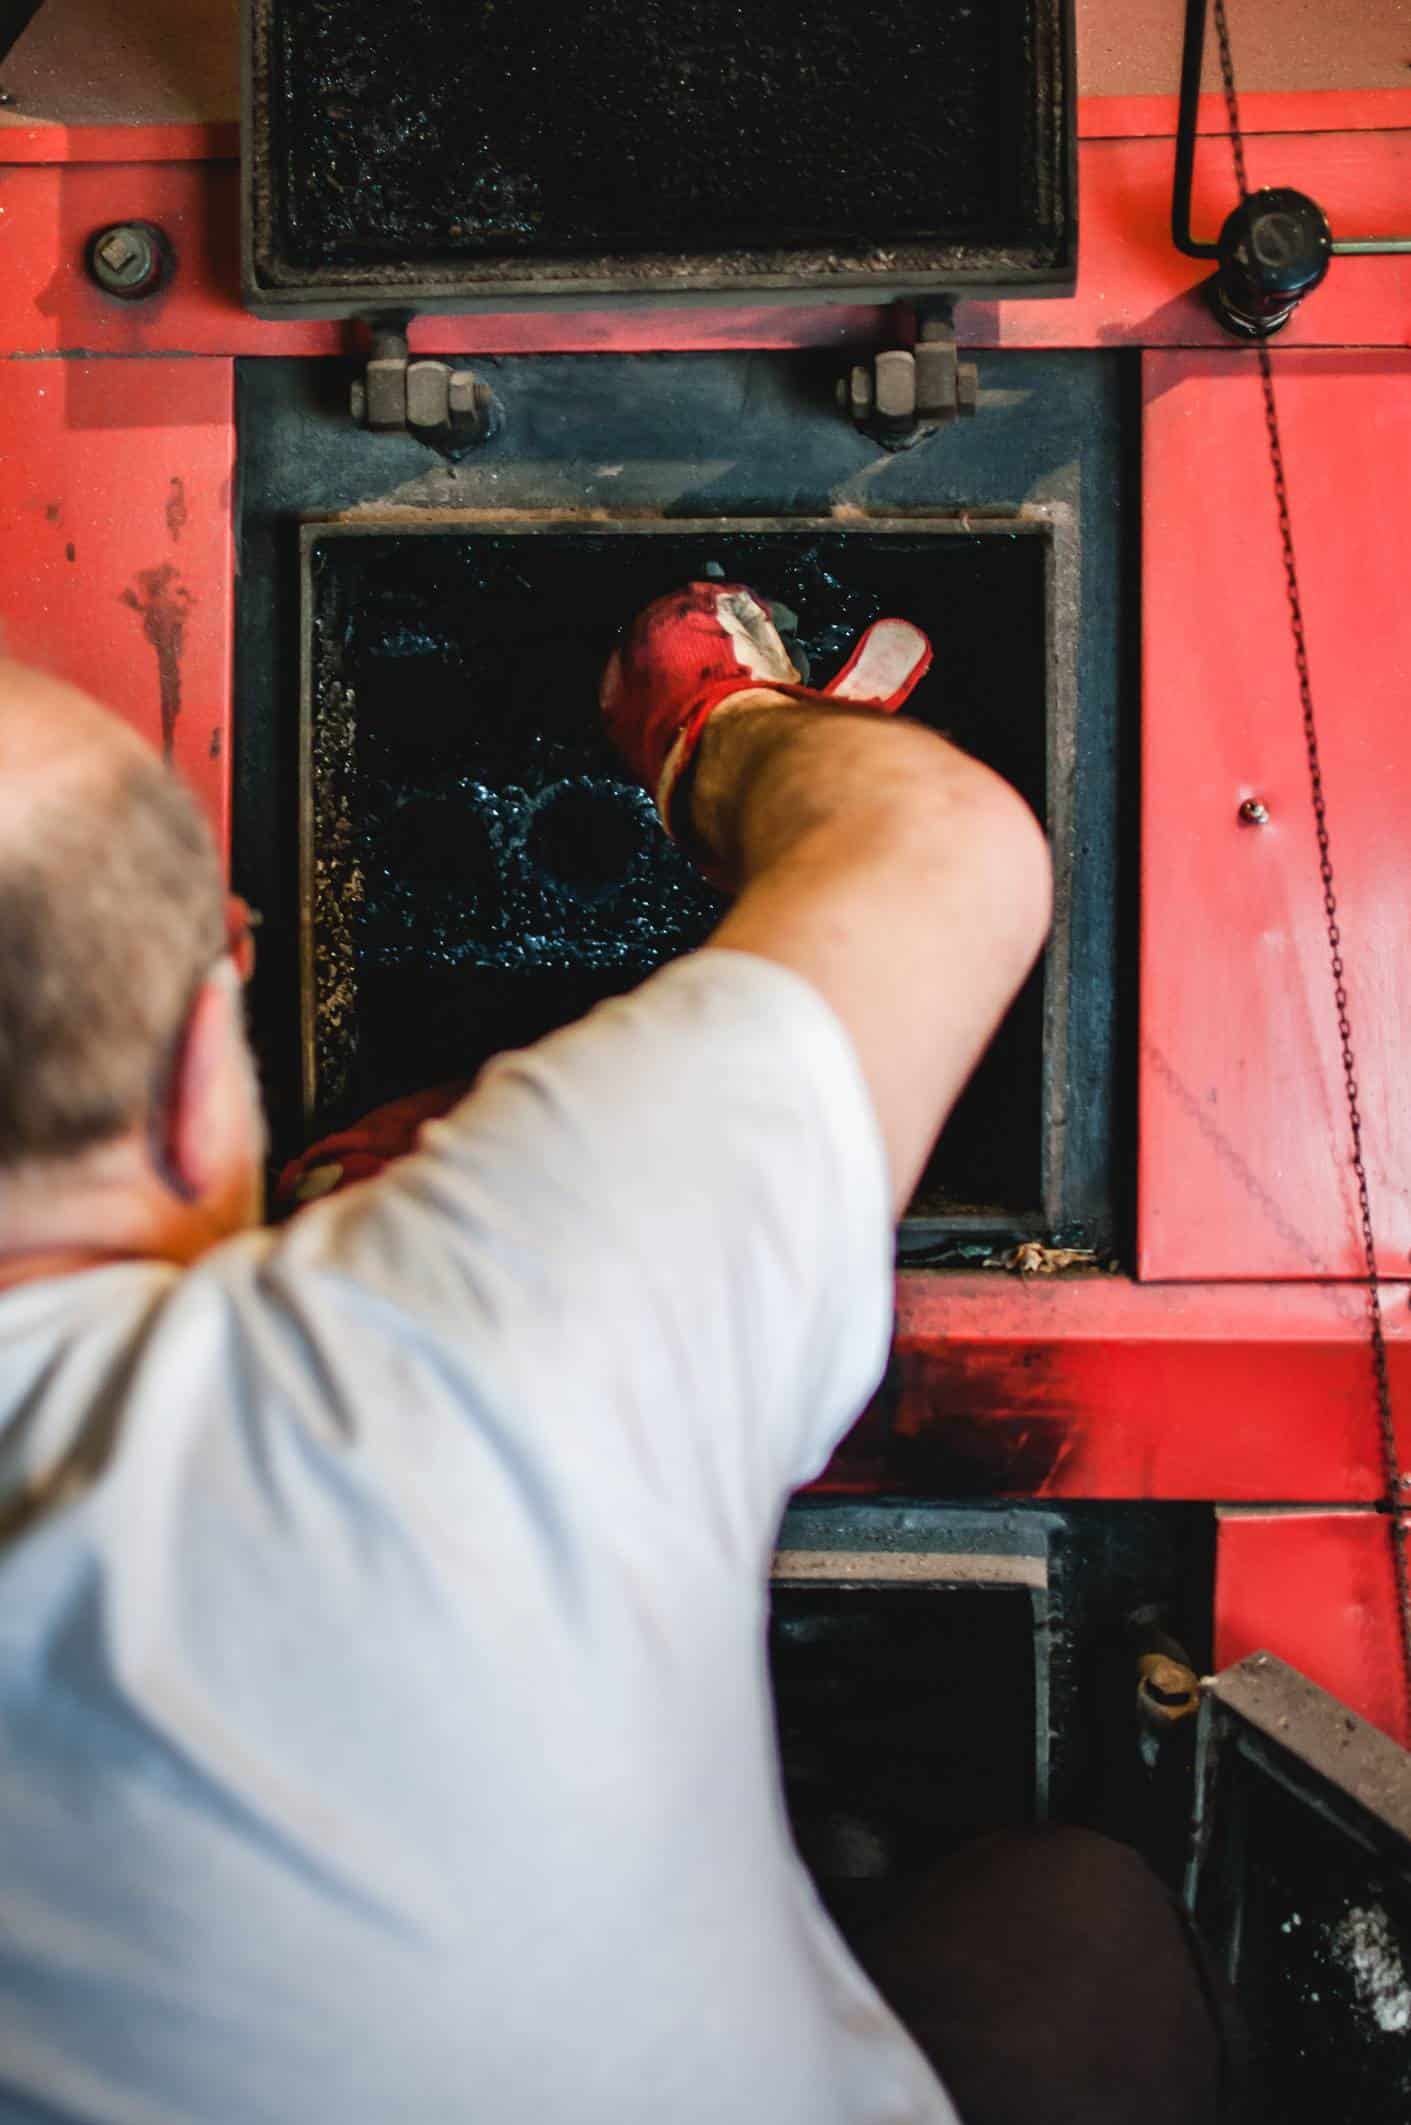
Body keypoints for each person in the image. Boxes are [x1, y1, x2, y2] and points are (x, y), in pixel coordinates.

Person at [0, 589, 1228, 2124]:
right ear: (199, 1065)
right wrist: (709, 717)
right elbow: (947, 854)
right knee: (1079, 1920)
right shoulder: (478, 1326)